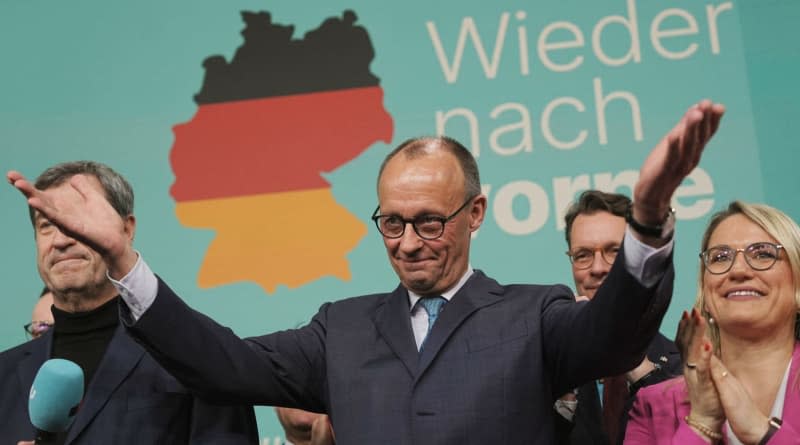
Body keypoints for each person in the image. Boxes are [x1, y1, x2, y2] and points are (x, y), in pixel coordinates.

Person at [8, 101, 725, 444]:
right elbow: (220, 364)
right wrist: (124, 262)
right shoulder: (339, 329)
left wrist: (651, 216)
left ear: (475, 212)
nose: (407, 242)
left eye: (429, 221)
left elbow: (615, 333)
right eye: (390, 221)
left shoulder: (534, 314)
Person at [0, 161, 258, 444]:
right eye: (47, 224)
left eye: (75, 219)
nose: (61, 240)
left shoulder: (197, 358)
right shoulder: (5, 374)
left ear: (126, 229)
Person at [624, 201, 800, 444]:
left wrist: (760, 432)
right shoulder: (654, 406)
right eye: (720, 258)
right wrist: (702, 424)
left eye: (763, 254)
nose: (738, 271)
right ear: (706, 291)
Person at [555, 191, 682, 445]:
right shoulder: (548, 368)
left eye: (615, 251)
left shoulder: (683, 368)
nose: (598, 268)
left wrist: (633, 362)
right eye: (583, 255)